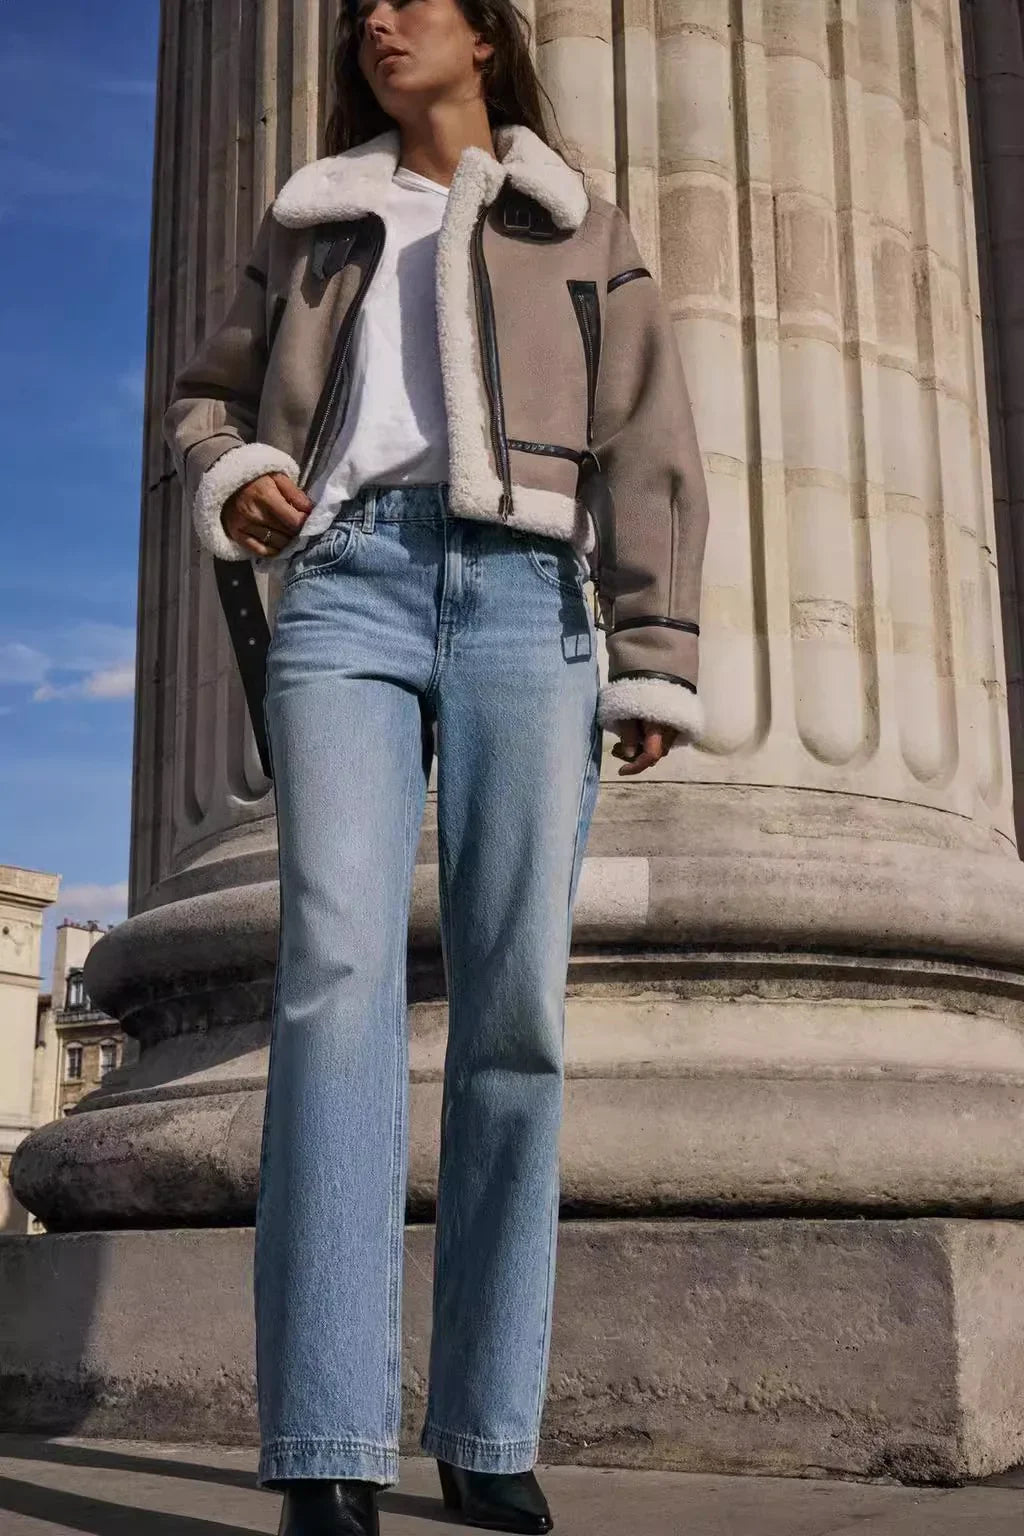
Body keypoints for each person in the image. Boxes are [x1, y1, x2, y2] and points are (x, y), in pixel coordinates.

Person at [163, 0, 709, 1527]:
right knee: (333, 975)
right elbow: (205, 399)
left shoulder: (578, 225)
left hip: (531, 599)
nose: (376, 22)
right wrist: (239, 471)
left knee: (514, 1004)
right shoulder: (314, 221)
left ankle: (486, 1424)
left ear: (485, 36)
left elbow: (652, 442)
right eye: (361, 11)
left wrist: (657, 649)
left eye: (410, 0)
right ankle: (326, 1447)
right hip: (347, 586)